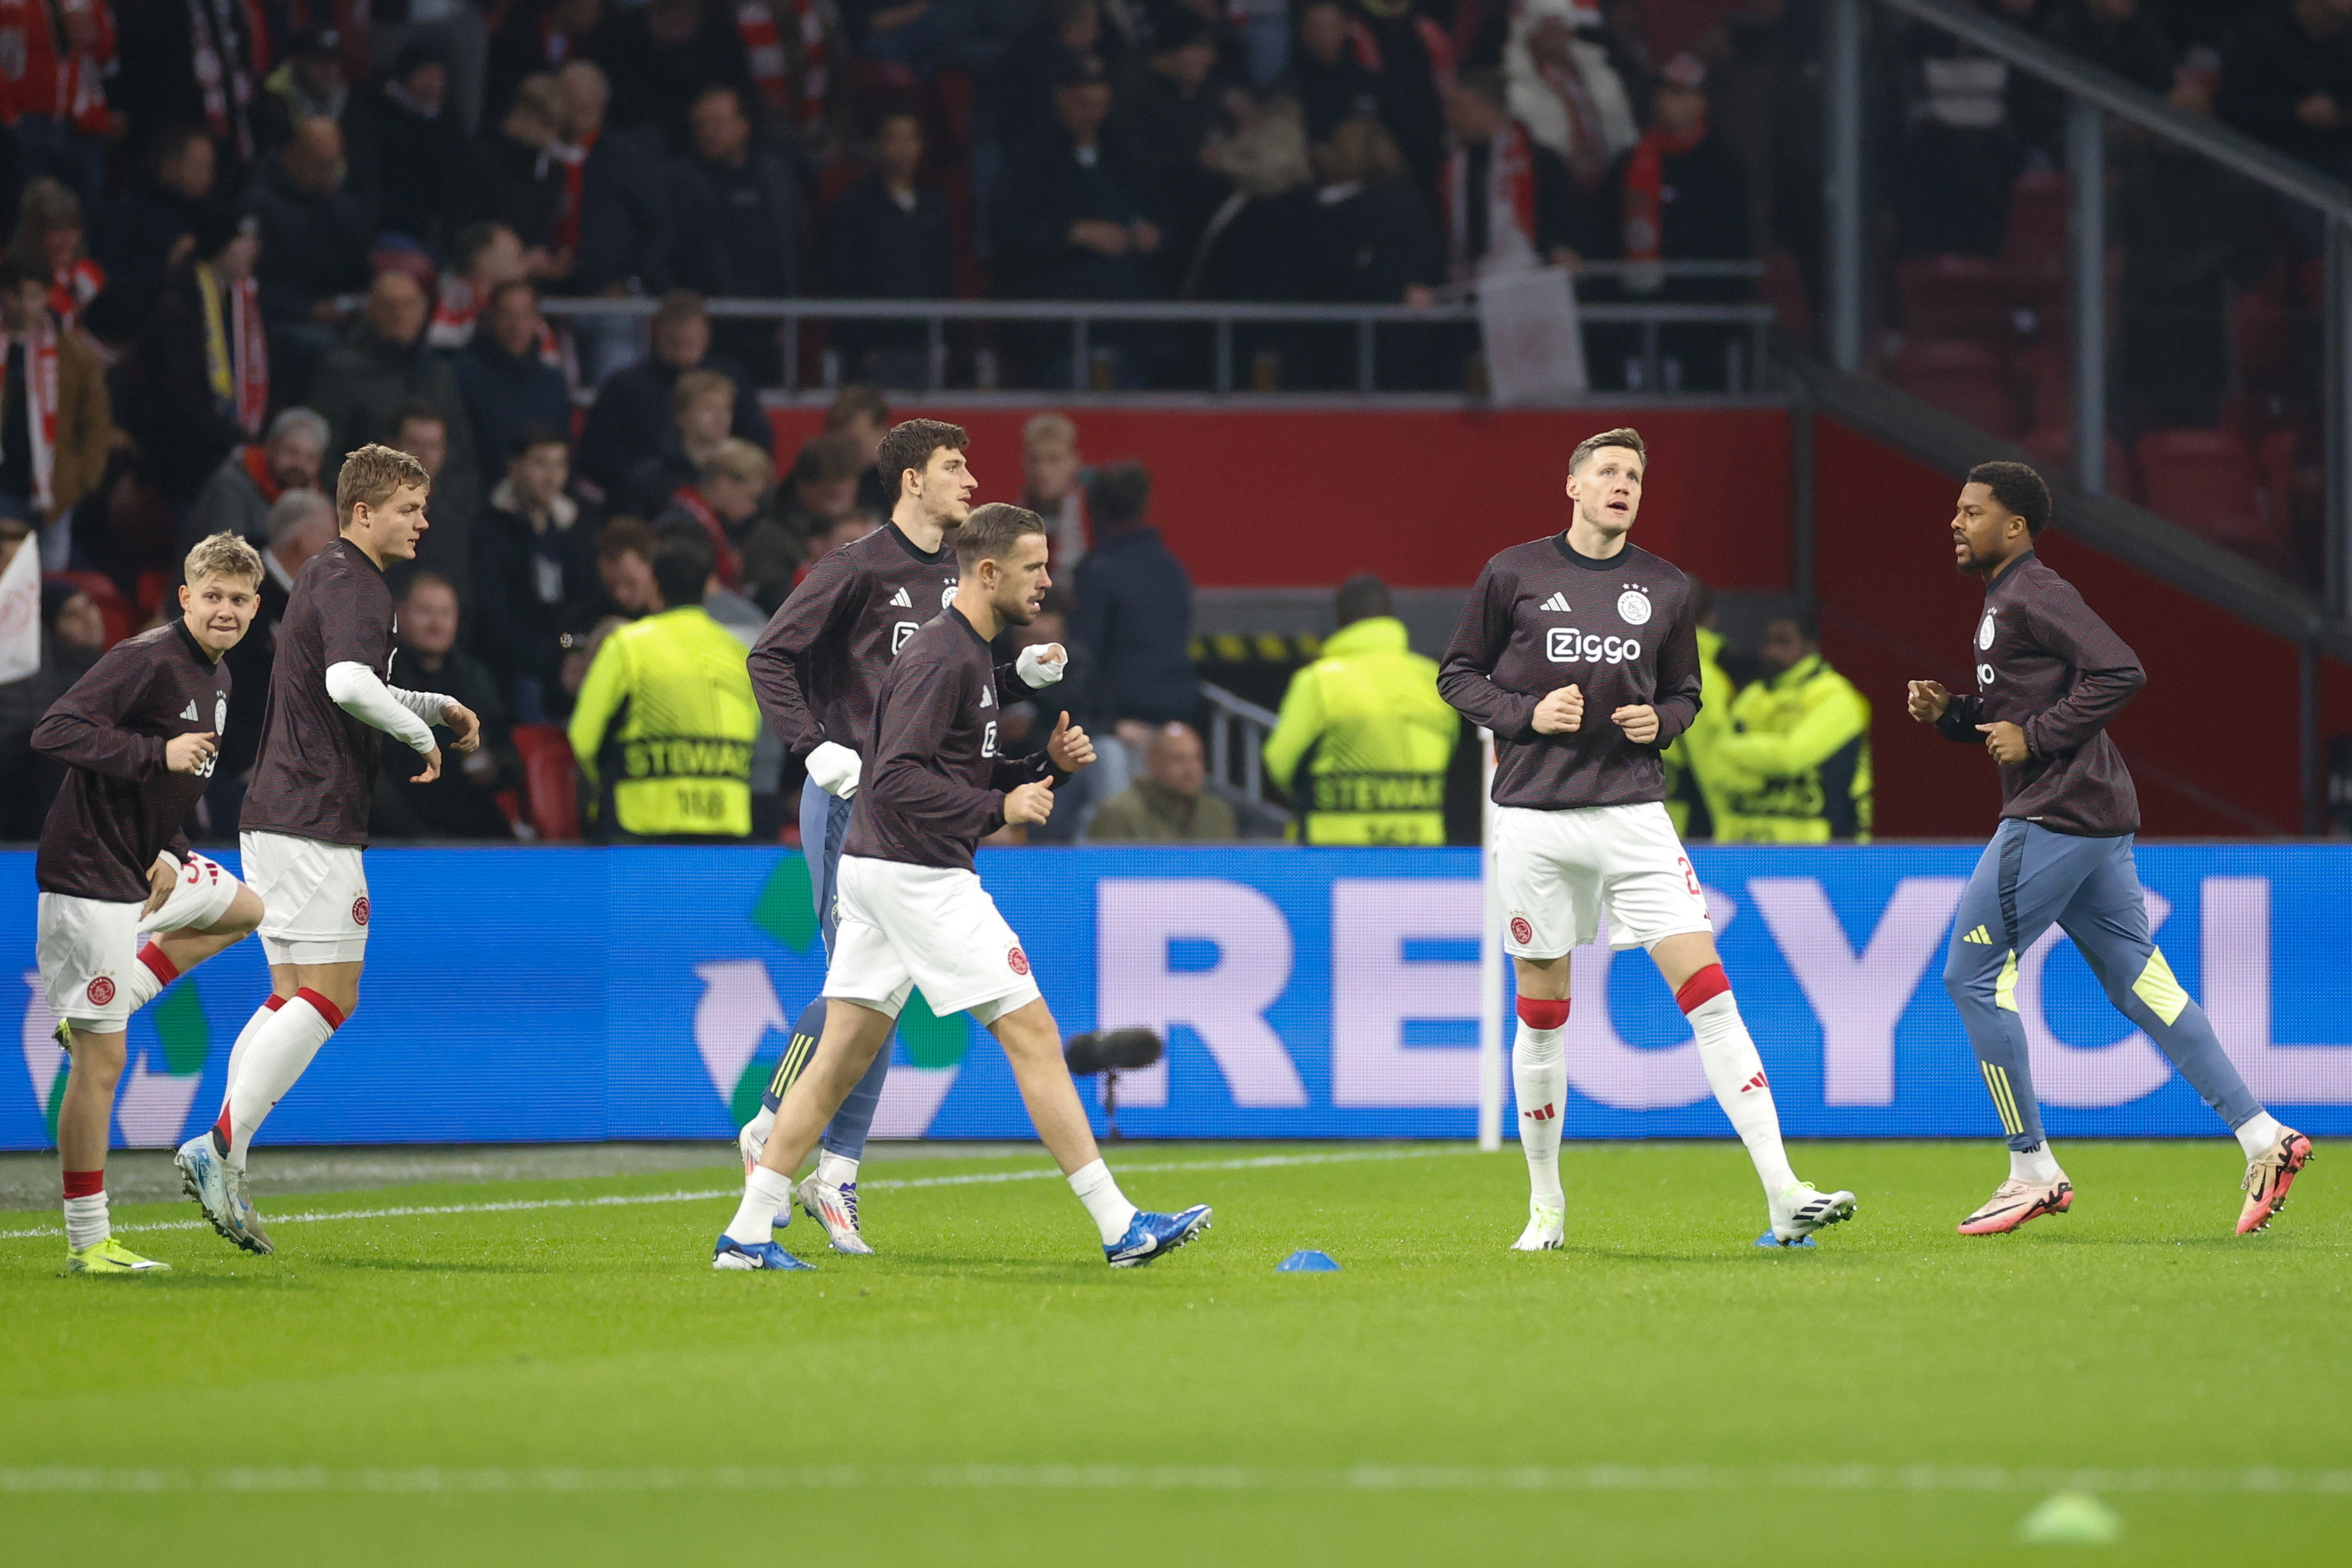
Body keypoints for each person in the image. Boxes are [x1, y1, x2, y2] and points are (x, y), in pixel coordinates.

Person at [713, 502, 1211, 1271]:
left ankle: (746, 1232)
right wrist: (997, 806)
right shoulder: (944, 657)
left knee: (840, 1055)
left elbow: (951, 768)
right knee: (1034, 1034)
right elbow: (897, 777)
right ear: (986, 572)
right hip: (920, 876)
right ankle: (1119, 1225)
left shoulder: (969, 651)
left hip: (884, 872)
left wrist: (1045, 765)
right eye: (1033, 567)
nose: (1049, 581)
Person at [1438, 426, 1856, 1251]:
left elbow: (1687, 693)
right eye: (1608, 472)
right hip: (1534, 820)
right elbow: (1457, 673)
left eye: (1634, 475)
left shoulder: (1664, 588)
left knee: (1710, 991)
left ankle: (1783, 1189)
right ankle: (1546, 1206)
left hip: (1633, 815)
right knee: (1545, 1013)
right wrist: (1525, 714)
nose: (1623, 484)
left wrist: (1656, 721)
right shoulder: (1514, 571)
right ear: (1574, 487)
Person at [1907, 461, 2313, 1237]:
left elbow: (2121, 668)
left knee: (1972, 976)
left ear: (2015, 526)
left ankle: (2032, 1167)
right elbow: (2013, 717)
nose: (1955, 523)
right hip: (2092, 814)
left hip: (2055, 814)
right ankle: (2266, 1136)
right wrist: (1953, 715)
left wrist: (2043, 736)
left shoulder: (2033, 589)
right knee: (2142, 984)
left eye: (1971, 512)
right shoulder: (2005, 599)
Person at [739, 419, 1067, 1253]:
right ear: (911, 481)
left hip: (916, 802)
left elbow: (940, 686)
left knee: (882, 993)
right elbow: (769, 656)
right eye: (955, 466)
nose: (970, 479)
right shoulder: (858, 566)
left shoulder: (959, 581)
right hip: (854, 795)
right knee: (857, 987)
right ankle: (773, 1123)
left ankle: (836, 1172)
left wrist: (1014, 676)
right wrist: (816, 748)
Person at [182, 444, 482, 1254]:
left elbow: (340, 680)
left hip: (280, 809)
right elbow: (350, 685)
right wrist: (423, 735)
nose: (423, 521)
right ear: (362, 512)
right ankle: (216, 1145)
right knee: (334, 994)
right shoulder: (358, 580)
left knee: (290, 993)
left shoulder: (325, 572)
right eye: (409, 508)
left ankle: (227, 1155)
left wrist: (436, 700)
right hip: (312, 814)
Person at [28, 531, 268, 1273]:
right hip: (90, 875)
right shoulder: (146, 658)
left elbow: (180, 782)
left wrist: (167, 849)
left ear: (255, 607)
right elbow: (55, 729)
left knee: (245, 910)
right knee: (103, 1065)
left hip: (140, 866)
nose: (225, 609)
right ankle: (87, 1242)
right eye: (213, 597)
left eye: (239, 599)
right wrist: (149, 755)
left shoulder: (219, 679)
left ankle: (115, 1002)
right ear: (186, 598)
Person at [566, 527, 760, 841]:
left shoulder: (627, 645)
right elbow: (751, 729)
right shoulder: (739, 653)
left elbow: (583, 736)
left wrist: (595, 800)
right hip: (727, 821)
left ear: (654, 586)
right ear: (708, 587)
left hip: (643, 823)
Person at [1264, 573, 1457, 844]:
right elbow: (1451, 753)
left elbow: (1280, 763)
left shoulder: (1320, 682)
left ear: (1340, 622)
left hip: (1335, 852)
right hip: (1421, 851)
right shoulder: (1434, 678)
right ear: (1391, 618)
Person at [309, 270, 482, 536]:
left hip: (438, 519)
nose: (400, 314)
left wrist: (444, 506)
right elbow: (328, 457)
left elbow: (461, 452)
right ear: (372, 312)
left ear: (424, 311)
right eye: (390, 306)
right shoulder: (342, 372)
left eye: (409, 305)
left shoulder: (439, 375)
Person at [664, 82, 803, 381]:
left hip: (771, 329)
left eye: (717, 122)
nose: (707, 132)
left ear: (743, 126)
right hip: (711, 329)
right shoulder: (680, 182)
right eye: (701, 125)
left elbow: (795, 247)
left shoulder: (776, 176)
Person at [131, 206, 266, 509]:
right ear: (222, 247)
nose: (253, 250)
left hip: (222, 447)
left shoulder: (241, 309)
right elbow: (182, 402)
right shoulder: (180, 312)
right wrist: (236, 439)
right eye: (243, 241)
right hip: (186, 462)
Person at [576, 290, 770, 500]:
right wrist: (646, 480)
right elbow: (598, 455)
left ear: (707, 334)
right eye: (675, 343)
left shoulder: (731, 378)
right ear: (657, 334)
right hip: (645, 500)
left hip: (725, 497)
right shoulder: (625, 386)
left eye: (690, 343)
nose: (683, 354)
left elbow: (758, 441)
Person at [371, 572, 517, 840]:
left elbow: (510, 755)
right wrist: (416, 837)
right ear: (399, 615)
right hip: (395, 837)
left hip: (472, 831)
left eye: (446, 613)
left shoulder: (475, 678)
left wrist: (493, 766)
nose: (436, 623)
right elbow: (369, 777)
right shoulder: (375, 680)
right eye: (425, 612)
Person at [1705, 610, 1871, 843]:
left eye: (1783, 642)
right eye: (1768, 641)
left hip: (1822, 847)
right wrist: (1760, 759)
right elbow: (1714, 762)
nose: (1771, 651)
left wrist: (1736, 751)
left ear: (1811, 646)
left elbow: (1789, 758)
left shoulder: (1837, 697)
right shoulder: (1753, 696)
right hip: (1744, 843)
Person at [474, 425, 603, 720]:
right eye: (541, 463)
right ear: (514, 467)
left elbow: (587, 604)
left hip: (566, 651)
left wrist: (571, 649)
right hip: (514, 667)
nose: (551, 476)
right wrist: (556, 659)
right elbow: (495, 621)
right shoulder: (490, 527)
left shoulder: (576, 526)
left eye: (559, 464)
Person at [821, 108, 956, 387]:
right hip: (875, 351)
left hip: (926, 345)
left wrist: (947, 341)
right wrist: (859, 348)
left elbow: (945, 276)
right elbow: (840, 278)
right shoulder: (854, 206)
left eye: (912, 139)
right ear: (877, 146)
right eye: (894, 139)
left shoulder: (935, 205)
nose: (904, 149)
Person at [1071, 461, 1197, 749]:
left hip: (1121, 728)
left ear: (1097, 509)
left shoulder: (1097, 572)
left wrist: (1106, 723)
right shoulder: (1172, 569)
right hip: (1177, 714)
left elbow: (1083, 654)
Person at [244, 116, 372, 395]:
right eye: (321, 164)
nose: (329, 175)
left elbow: (360, 269)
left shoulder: (339, 203)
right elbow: (252, 285)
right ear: (295, 155)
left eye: (334, 165)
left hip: (340, 310)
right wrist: (308, 310)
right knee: (325, 349)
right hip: (286, 318)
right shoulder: (259, 202)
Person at [0, 255, 111, 565]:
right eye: (16, 294)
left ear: (48, 296)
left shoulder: (74, 354)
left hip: (56, 492)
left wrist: (82, 478)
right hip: (4, 487)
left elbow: (96, 423)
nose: (24, 305)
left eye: (34, 295)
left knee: (52, 582)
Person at [1438, 66, 1587, 281]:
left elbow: (1562, 217)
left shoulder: (1539, 161)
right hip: (1464, 282)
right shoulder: (1450, 165)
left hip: (1526, 281)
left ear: (1488, 109)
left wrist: (1560, 249)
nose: (1451, 118)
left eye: (1459, 109)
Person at [343, 35, 474, 250]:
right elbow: (368, 180)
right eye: (426, 73)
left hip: (436, 231)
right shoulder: (372, 111)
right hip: (388, 228)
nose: (433, 83)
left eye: (439, 75)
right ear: (407, 73)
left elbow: (458, 179)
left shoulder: (449, 122)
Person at [451, 280, 573, 474]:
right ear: (492, 318)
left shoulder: (553, 382)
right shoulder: (462, 377)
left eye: (525, 315)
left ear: (536, 320)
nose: (517, 326)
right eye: (507, 315)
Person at [185, 406, 328, 556]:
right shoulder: (232, 484)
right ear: (271, 447)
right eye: (292, 452)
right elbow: (226, 556)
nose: (300, 464)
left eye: (311, 458)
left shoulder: (317, 505)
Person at [1084, 720, 1237, 841]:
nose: (1191, 770)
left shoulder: (1218, 813)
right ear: (1152, 762)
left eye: (1197, 759)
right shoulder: (1118, 812)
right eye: (1178, 760)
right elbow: (1104, 874)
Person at [1021, 410, 1088, 570]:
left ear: (1074, 461)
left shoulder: (1093, 518)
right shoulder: (1011, 520)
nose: (1043, 472)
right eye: (1034, 460)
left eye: (1054, 460)